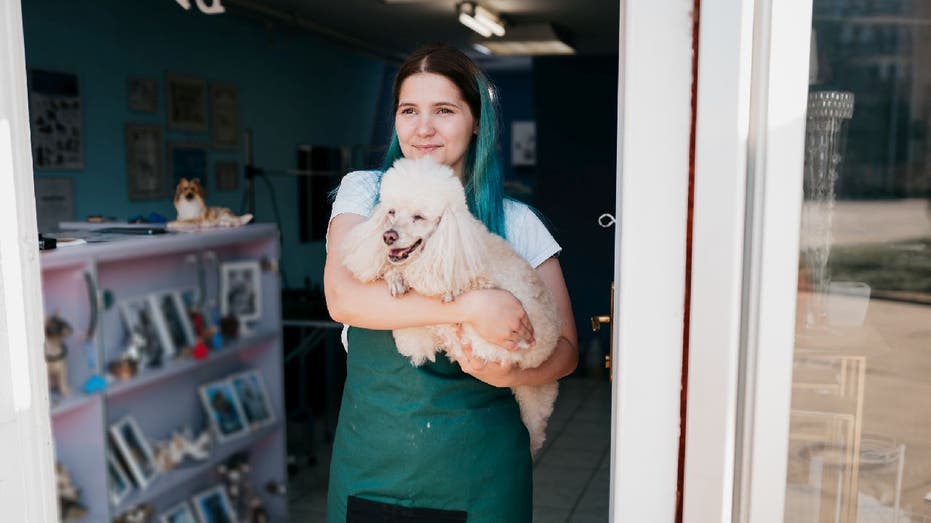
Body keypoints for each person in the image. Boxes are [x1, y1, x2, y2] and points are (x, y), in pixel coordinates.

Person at [324, 43, 578, 523]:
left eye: (443, 110)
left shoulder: (516, 222)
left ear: (477, 120)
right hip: (374, 467)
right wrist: (472, 306)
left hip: (481, 477)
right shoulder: (367, 194)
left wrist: (510, 375)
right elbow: (344, 298)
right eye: (408, 110)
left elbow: (567, 350)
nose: (423, 128)